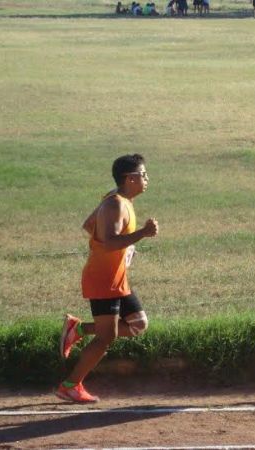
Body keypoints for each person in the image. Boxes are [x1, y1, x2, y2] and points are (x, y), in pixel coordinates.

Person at [57, 154, 159, 403]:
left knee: (138, 324)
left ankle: (79, 329)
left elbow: (89, 225)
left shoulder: (118, 199)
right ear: (130, 178)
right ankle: (70, 385)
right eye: (143, 175)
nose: (147, 179)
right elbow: (111, 242)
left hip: (116, 278)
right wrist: (142, 233)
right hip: (104, 280)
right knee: (106, 338)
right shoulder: (115, 204)